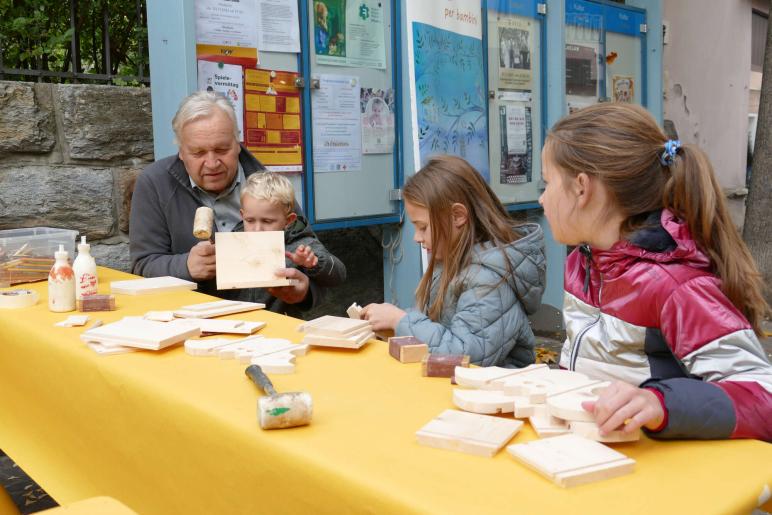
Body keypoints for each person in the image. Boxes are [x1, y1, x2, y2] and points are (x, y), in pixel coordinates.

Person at [539, 102, 772, 441]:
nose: (542, 199)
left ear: (581, 188)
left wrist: (660, 403)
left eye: (547, 183)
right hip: (595, 455)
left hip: (661, 466)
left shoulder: (674, 285)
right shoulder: (581, 264)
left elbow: (764, 397)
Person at [130, 91, 321, 310]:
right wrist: (185, 267)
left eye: (221, 150)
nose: (212, 163)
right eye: (198, 153)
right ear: (181, 152)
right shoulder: (155, 184)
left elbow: (318, 264)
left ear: (237, 143)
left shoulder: (267, 185)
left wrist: (304, 292)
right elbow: (142, 265)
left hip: (268, 317)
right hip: (190, 318)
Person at [362, 155, 546, 368]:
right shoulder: (454, 260)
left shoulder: (489, 280)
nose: (417, 237)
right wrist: (396, 325)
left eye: (423, 227)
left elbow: (467, 356)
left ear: (458, 216)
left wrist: (400, 321)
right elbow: (439, 328)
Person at [234, 173, 346, 315]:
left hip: (281, 324)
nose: (257, 229)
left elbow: (339, 274)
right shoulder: (235, 241)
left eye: (267, 221)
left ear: (288, 220)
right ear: (242, 215)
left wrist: (314, 262)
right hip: (237, 322)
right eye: (250, 220)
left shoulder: (301, 245)